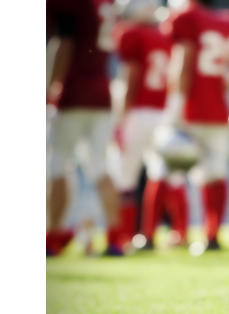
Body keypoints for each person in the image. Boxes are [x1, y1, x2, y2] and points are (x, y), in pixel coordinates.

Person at [160, 0, 229, 250]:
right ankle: (212, 234)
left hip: (191, 108)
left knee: (169, 171)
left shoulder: (186, 17)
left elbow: (184, 60)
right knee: (216, 174)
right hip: (218, 110)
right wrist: (226, 81)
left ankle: (178, 233)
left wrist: (176, 103)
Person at [46, 0, 122, 256]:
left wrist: (49, 87)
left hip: (75, 91)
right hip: (103, 90)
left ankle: (53, 235)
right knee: (100, 166)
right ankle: (114, 236)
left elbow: (65, 44)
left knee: (57, 163)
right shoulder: (107, 3)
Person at [112, 0, 188, 250]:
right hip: (165, 112)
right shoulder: (167, 35)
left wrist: (121, 118)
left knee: (126, 176)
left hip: (140, 111)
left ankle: (124, 236)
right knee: (166, 174)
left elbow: (130, 78)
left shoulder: (131, 33)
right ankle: (177, 232)